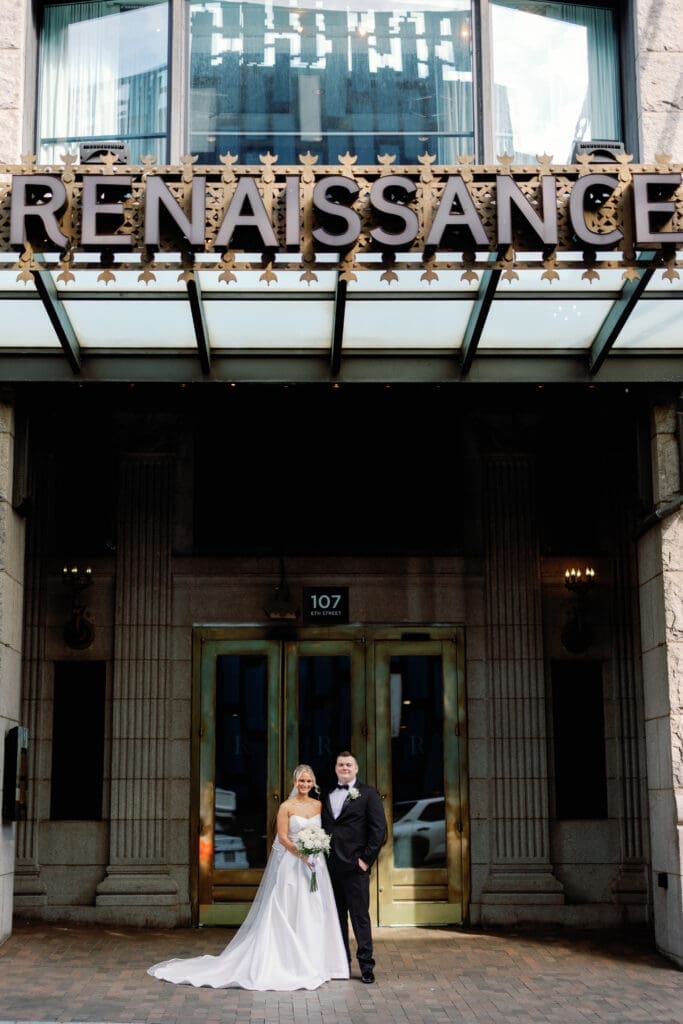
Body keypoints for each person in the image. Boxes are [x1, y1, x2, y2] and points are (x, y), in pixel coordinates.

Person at [147, 765, 349, 991]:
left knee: (314, 910)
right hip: (293, 865)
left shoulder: (319, 805)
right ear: (294, 782)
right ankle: (290, 962)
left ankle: (317, 963)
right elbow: (282, 838)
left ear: (314, 783)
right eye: (301, 781)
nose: (305, 785)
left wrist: (316, 850)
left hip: (315, 866)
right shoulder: (286, 807)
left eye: (308, 781)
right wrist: (302, 854)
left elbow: (324, 832)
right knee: (290, 909)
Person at [321, 750, 387, 985]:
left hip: (355, 868)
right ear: (336, 768)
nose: (345, 768)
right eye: (341, 765)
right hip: (331, 868)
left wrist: (366, 860)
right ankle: (342, 964)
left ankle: (367, 966)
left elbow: (379, 831)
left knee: (360, 918)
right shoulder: (326, 794)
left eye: (349, 764)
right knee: (336, 918)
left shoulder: (368, 794)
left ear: (356, 768)